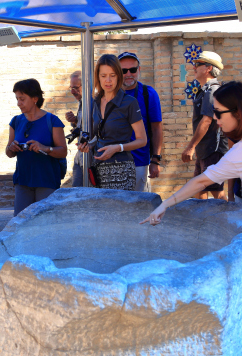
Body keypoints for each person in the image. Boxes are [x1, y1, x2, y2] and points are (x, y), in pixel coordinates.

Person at [142, 81, 242, 226]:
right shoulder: (236, 152)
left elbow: (200, 182)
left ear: (237, 113)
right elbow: (200, 182)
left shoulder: (238, 153)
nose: (214, 117)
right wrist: (163, 206)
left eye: (218, 112)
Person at [78, 54, 147, 190]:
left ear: (119, 76)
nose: (108, 81)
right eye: (103, 76)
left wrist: (117, 147)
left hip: (122, 170)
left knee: (121, 211)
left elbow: (142, 140)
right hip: (98, 169)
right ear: (98, 77)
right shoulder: (95, 102)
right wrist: (88, 145)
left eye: (112, 75)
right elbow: (99, 136)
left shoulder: (129, 102)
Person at [6, 78, 67, 216]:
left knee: (45, 224)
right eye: (17, 99)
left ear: (34, 98)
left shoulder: (52, 120)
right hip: (23, 180)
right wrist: (12, 148)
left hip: (46, 180)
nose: (18, 103)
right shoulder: (16, 121)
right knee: (20, 225)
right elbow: (8, 152)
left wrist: (45, 148)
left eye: (22, 99)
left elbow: (63, 151)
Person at [181, 51, 228, 200]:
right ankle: (202, 223)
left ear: (208, 68)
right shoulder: (204, 91)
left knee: (216, 192)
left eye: (197, 64)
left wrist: (190, 147)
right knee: (199, 190)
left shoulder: (212, 90)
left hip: (212, 150)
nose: (194, 67)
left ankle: (232, 221)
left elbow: (207, 121)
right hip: (205, 150)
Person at [118, 52, 163, 192]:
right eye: (123, 71)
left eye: (133, 69)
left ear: (139, 70)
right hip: (113, 162)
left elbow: (156, 128)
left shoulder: (148, 94)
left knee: (140, 207)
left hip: (139, 162)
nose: (128, 74)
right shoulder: (110, 94)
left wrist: (155, 160)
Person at [65, 71, 84, 187]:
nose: (72, 92)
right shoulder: (82, 102)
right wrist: (75, 121)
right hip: (80, 157)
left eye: (76, 88)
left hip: (90, 156)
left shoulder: (95, 103)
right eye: (71, 88)